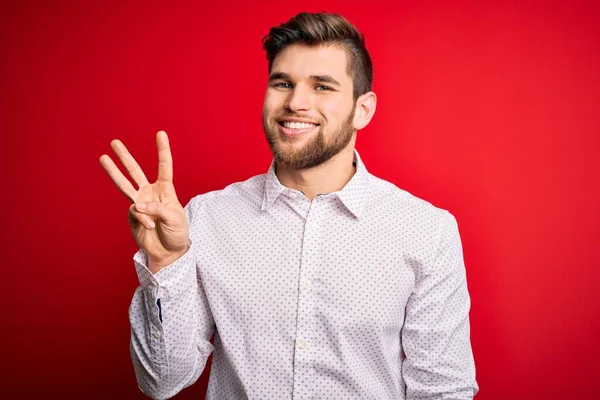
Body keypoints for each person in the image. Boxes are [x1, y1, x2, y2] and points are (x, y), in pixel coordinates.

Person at [99, 11, 478, 400]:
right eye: (283, 83)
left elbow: (443, 390)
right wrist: (164, 264)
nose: (296, 102)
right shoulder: (206, 218)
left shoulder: (427, 230)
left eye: (322, 87)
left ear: (362, 109)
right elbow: (161, 382)